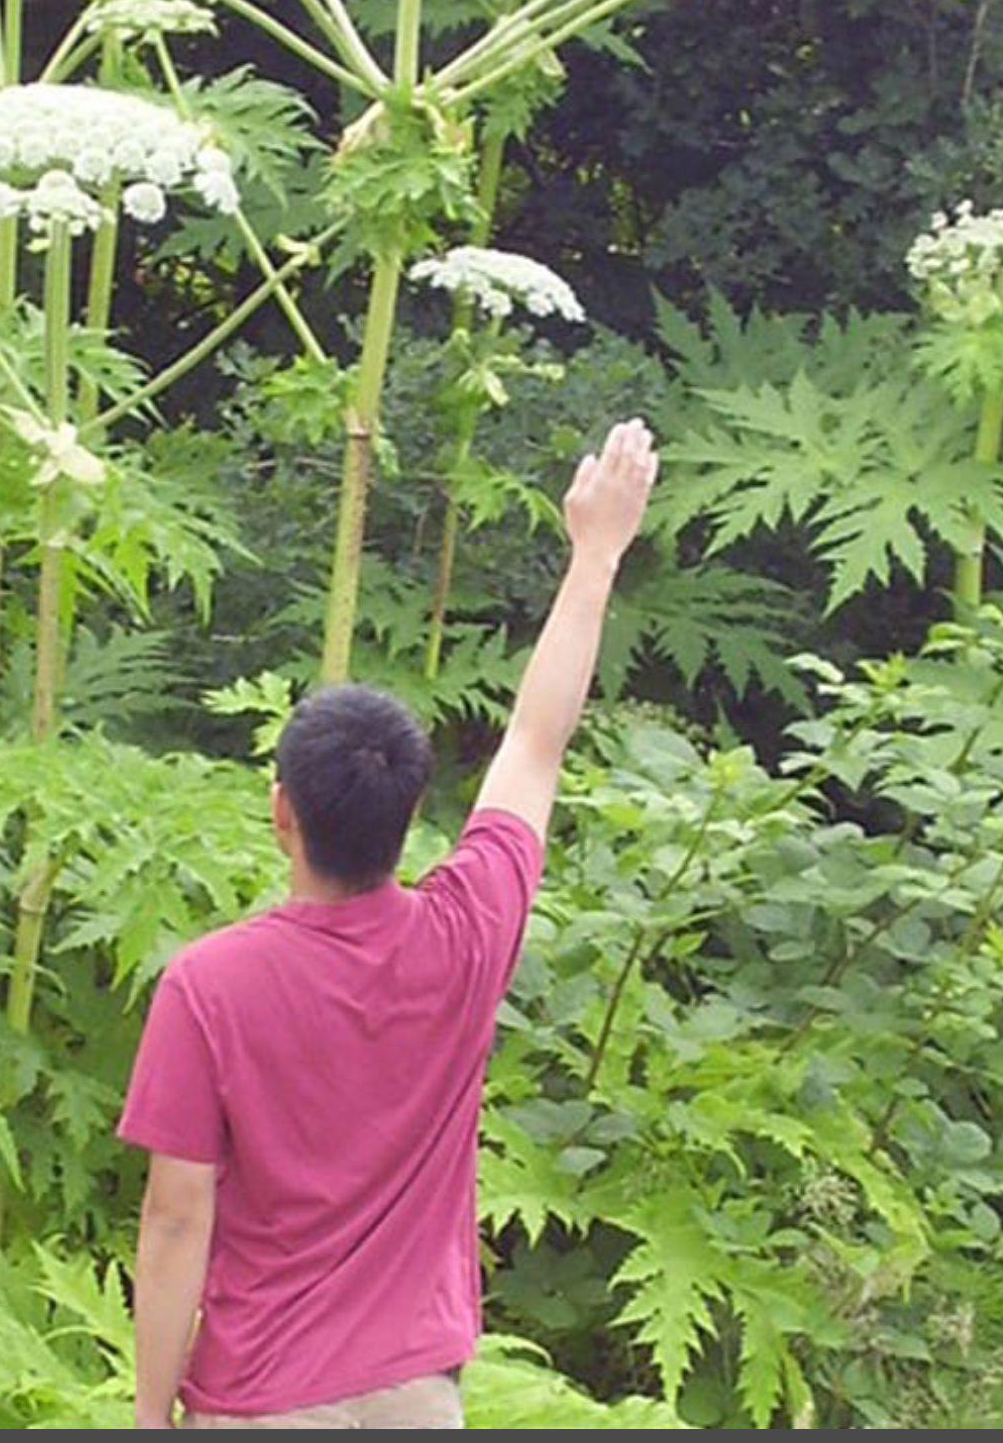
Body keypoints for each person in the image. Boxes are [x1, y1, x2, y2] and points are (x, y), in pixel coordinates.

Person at [119, 418, 659, 1429]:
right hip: (419, 1398)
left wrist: (152, 1420)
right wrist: (595, 556)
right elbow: (537, 745)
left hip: (262, 1399)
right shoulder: (465, 934)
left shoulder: (209, 984)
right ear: (413, 814)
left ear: (283, 811)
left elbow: (175, 1216)